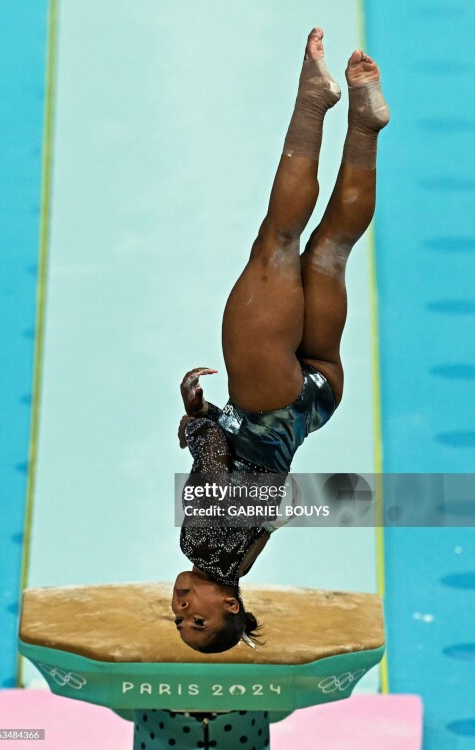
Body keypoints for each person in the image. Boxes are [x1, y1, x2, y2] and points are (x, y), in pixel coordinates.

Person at [172, 27, 390, 653]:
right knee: (279, 241)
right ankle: (313, 99)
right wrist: (195, 422)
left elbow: (263, 490)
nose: (184, 607)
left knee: (332, 252)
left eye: (180, 619)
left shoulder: (244, 555)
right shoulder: (204, 547)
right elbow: (214, 456)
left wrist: (219, 432)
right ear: (230, 605)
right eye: (201, 619)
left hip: (312, 406)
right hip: (264, 403)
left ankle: (366, 124)